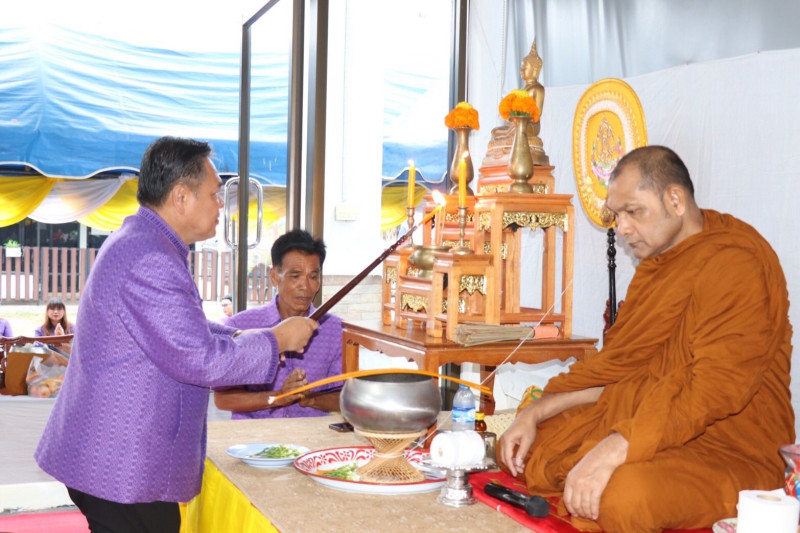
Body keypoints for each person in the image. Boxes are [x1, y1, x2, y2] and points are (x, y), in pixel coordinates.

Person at [499, 145, 794, 532]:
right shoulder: (659, 262)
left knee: (622, 495)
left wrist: (616, 447)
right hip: (655, 425)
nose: (621, 228)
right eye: (616, 215)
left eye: (633, 212)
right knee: (528, 446)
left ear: (675, 200)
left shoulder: (736, 264)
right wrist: (535, 413)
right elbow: (623, 373)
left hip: (727, 448)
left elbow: (716, 391)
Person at [35, 136, 317, 532]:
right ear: (182, 197)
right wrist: (277, 340)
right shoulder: (150, 256)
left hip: (117, 458)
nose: (220, 206)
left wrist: (252, 336)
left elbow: (185, 329)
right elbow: (198, 358)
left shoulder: (145, 242)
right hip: (123, 465)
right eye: (215, 195)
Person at [215, 229, 342, 418]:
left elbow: (345, 398)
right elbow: (223, 399)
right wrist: (278, 397)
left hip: (310, 435)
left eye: (313, 277)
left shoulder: (335, 330)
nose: (305, 286)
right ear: (274, 276)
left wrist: (311, 399)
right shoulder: (241, 325)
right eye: (295, 276)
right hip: (255, 435)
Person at [484, 39, 549, 166]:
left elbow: (537, 113)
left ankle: (508, 140)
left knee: (516, 131)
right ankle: (506, 139)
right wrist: (512, 118)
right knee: (495, 131)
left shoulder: (538, 89)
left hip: (531, 125)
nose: (522, 71)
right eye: (521, 68)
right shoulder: (522, 90)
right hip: (517, 124)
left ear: (535, 69)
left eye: (525, 68)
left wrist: (523, 118)